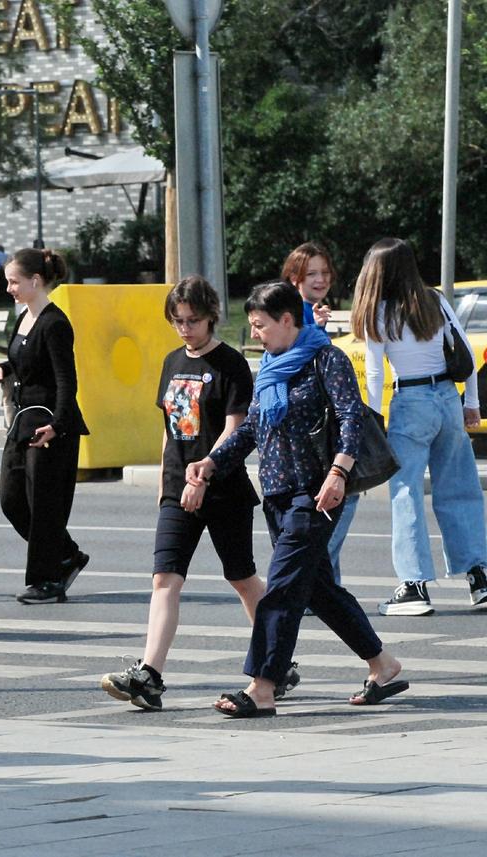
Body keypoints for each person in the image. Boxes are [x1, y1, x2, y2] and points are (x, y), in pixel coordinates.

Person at [189, 280, 407, 717]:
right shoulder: (270, 366)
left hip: (317, 493)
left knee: (283, 587)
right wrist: (211, 462)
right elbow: (252, 428)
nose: (256, 334)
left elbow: (351, 417)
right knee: (319, 590)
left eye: (260, 325)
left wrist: (339, 473)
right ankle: (383, 665)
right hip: (277, 494)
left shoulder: (327, 359)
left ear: (288, 320)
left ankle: (262, 686)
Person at [100, 276, 298, 711]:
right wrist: (166, 484)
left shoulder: (229, 365)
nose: (185, 328)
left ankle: (277, 661)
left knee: (242, 578)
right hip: (177, 486)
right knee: (165, 578)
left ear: (211, 317)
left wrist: (202, 478)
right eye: (178, 321)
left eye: (193, 320)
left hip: (222, 488)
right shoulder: (172, 361)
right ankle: (149, 674)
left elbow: (233, 430)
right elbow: (170, 429)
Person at [350, 237, 487, 615]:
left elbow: (376, 374)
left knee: (405, 492)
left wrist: (373, 422)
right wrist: (470, 403)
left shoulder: (379, 313)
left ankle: (414, 587)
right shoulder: (435, 300)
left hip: (410, 402)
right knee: (460, 489)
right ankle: (479, 577)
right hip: (446, 397)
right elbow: (466, 353)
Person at [0, 248, 90, 604]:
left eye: (14, 282)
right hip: (22, 421)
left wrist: (58, 425)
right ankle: (67, 554)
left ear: (35, 281)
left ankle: (47, 580)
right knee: (11, 499)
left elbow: (66, 381)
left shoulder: (55, 323)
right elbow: (27, 361)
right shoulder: (25, 318)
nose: (9, 289)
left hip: (48, 426)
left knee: (43, 504)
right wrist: (4, 367)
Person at [283, 242, 355, 589]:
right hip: (312, 429)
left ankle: (323, 585)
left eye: (325, 272)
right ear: (294, 276)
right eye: (312, 273)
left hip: (312, 426)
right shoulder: (295, 312)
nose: (321, 279)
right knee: (341, 498)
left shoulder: (308, 310)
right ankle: (320, 585)